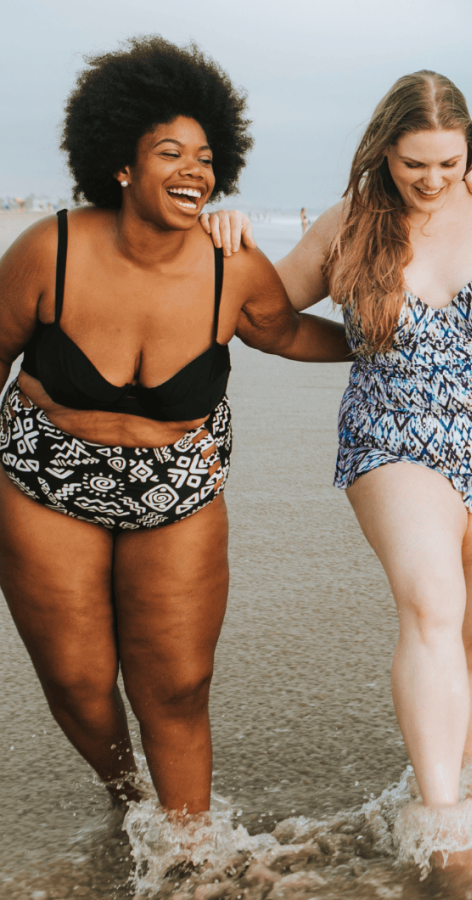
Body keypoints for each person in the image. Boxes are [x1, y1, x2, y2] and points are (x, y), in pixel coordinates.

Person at [0, 36, 349, 819]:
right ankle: (131, 800)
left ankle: (190, 851)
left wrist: (383, 339)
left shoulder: (231, 267)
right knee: (78, 684)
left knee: (179, 685)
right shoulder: (47, 251)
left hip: (176, 488)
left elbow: (287, 332)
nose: (195, 170)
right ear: (121, 165)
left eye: (205, 156)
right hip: (44, 481)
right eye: (170, 152)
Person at [209, 71, 472, 814]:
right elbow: (264, 312)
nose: (432, 180)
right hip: (391, 435)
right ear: (383, 152)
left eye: (448, 162)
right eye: (413, 163)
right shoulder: (349, 223)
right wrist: (230, 238)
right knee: (431, 604)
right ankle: (443, 823)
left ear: (470, 153)